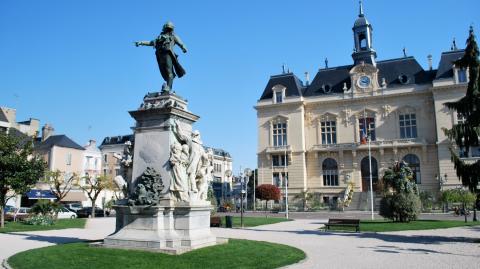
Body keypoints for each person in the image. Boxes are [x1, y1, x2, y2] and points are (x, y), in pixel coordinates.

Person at [135, 21, 187, 92]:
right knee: (164, 72)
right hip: (160, 56)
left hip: (168, 54)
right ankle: (167, 86)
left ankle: (168, 87)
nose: (168, 29)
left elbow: (180, 43)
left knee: (169, 72)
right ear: (164, 28)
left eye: (169, 28)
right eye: (167, 28)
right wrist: (141, 42)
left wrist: (183, 47)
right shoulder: (159, 38)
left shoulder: (173, 36)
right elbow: (151, 43)